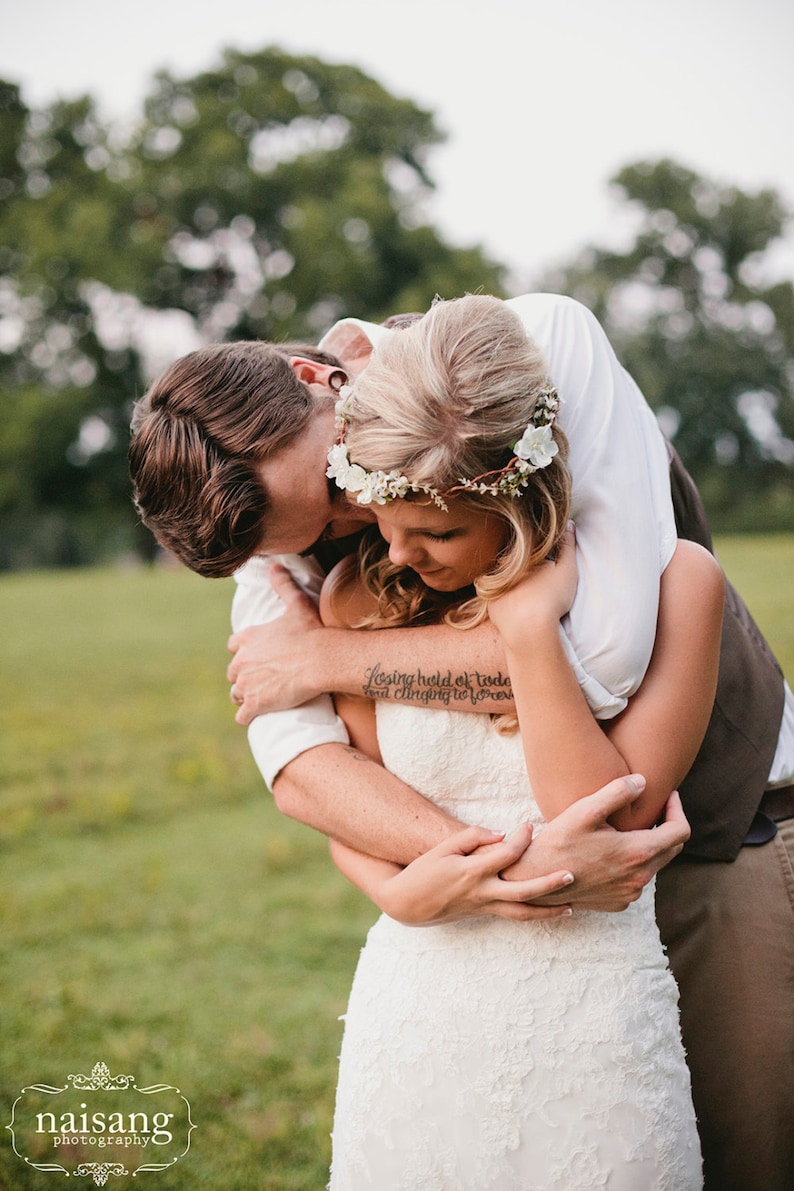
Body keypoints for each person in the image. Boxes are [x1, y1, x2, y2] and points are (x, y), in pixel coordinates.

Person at [129, 292, 794, 1191]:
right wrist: (485, 878)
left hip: (716, 839)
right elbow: (303, 767)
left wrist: (332, 656)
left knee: (740, 1155)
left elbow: (596, 658)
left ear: (321, 380)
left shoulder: (530, 371)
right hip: (473, 942)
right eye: (318, 534)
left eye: (332, 494)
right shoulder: (278, 530)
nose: (363, 531)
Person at [319, 296, 725, 1187]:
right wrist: (400, 895)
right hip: (423, 991)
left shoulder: (682, 588)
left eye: (437, 532)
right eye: (384, 520)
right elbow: (353, 800)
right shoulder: (359, 600)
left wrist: (532, 629)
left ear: (524, 491)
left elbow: (603, 815)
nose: (401, 551)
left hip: (593, 1006)